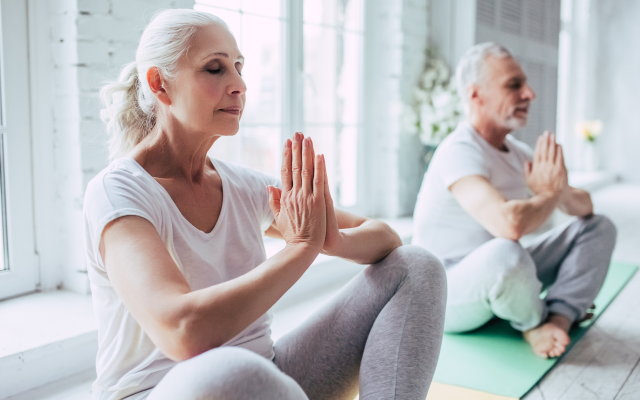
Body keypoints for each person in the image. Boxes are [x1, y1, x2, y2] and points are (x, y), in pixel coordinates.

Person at [83, 9, 447, 400]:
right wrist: (301, 249)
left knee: (416, 267)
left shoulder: (243, 186)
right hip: (172, 390)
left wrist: (328, 238)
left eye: (238, 66)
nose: (239, 84)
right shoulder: (119, 191)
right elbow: (183, 333)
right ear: (160, 84)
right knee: (234, 373)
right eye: (214, 69)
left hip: (266, 379)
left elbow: (384, 237)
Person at [412, 42, 617, 359]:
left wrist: (558, 189)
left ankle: (557, 319)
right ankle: (532, 322)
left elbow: (584, 207)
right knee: (507, 250)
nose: (530, 94)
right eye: (514, 85)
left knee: (599, 227)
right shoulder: (459, 150)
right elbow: (508, 224)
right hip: (443, 294)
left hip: (501, 274)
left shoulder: (518, 153)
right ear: (475, 94)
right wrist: (549, 194)